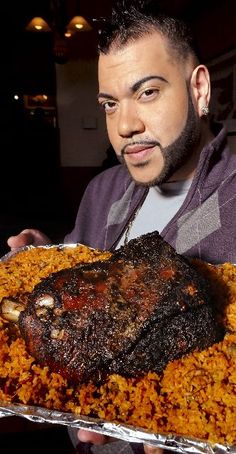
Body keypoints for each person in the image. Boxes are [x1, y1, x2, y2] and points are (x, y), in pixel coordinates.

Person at [7, 0, 236, 452]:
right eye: (110, 103)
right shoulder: (103, 190)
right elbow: (96, 272)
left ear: (200, 90)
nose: (125, 125)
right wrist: (44, 259)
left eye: (147, 92)